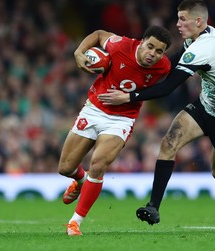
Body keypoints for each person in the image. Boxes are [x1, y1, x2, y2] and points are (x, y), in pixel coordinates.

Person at [98, 0, 215, 233]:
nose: (177, 24)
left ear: (198, 21)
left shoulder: (203, 48)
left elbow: (168, 86)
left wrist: (128, 96)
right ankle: (153, 207)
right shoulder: (202, 35)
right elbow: (169, 65)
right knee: (168, 143)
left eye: (182, 19)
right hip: (205, 105)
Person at [58, 26, 172, 236]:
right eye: (150, 47)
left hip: (122, 118)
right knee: (65, 168)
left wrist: (130, 97)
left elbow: (162, 89)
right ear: (141, 42)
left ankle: (75, 222)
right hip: (94, 109)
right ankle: (81, 181)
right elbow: (99, 34)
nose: (153, 54)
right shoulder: (121, 45)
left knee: (99, 164)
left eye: (159, 51)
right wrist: (78, 53)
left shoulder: (164, 67)